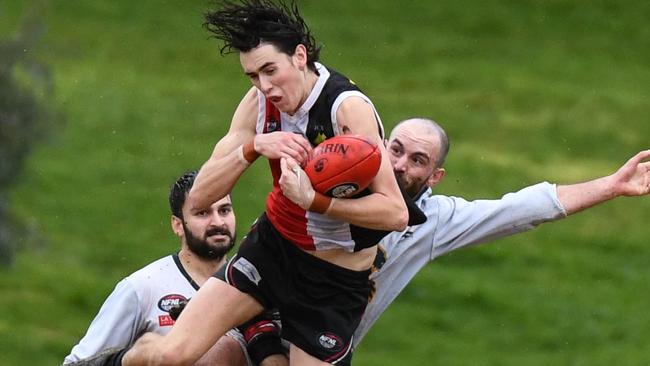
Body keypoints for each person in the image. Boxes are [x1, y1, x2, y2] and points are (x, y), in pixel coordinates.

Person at [122, 1, 409, 365]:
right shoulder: (259, 103)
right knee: (169, 355)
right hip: (272, 250)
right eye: (254, 76)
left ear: (300, 56)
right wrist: (253, 147)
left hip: (333, 281)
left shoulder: (346, 109)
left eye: (271, 70)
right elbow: (199, 198)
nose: (265, 85)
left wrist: (315, 201)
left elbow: (396, 213)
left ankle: (262, 331)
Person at [348, 117, 650, 346]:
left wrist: (611, 187)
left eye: (418, 160)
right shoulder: (341, 178)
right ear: (383, 144)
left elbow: (521, 209)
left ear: (435, 176)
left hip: (329, 351)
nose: (400, 165)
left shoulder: (434, 220)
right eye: (396, 150)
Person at [63, 170, 285, 366]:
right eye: (203, 213)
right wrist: (136, 358)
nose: (218, 222)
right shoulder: (143, 287)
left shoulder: (254, 289)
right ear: (178, 225)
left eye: (224, 210)